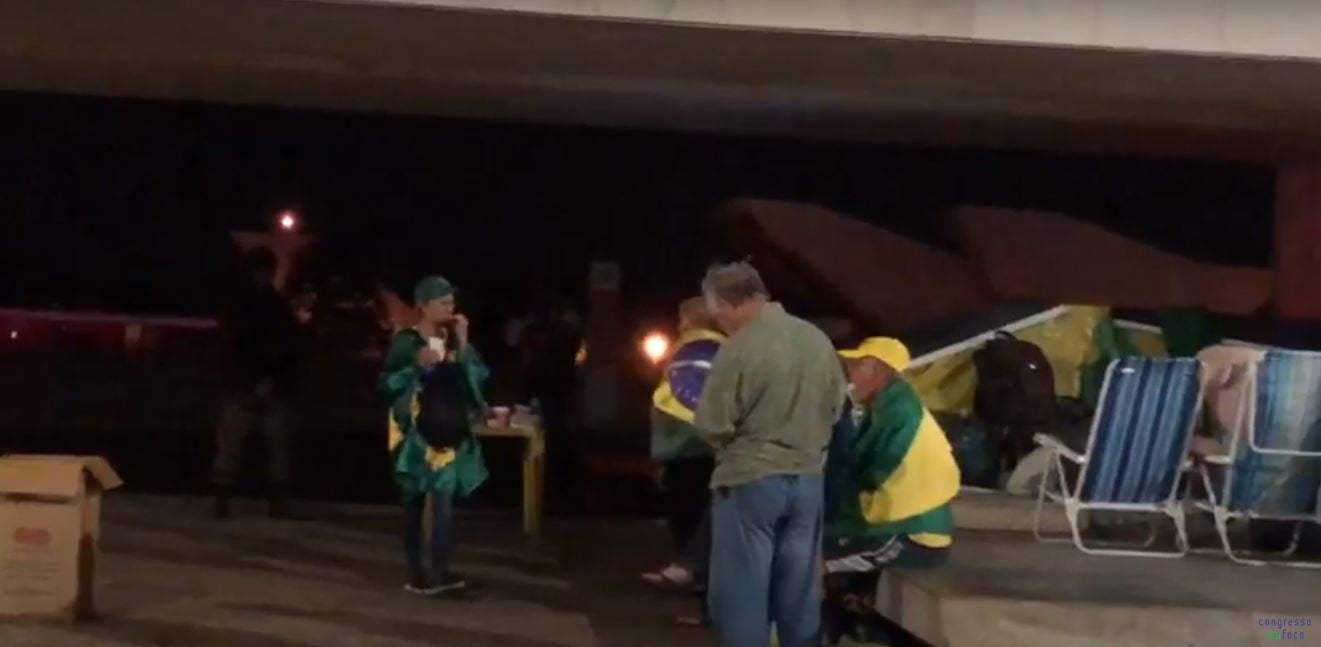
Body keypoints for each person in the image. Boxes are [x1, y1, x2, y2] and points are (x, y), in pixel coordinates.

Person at [694, 262, 847, 647]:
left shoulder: (740, 348)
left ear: (732, 304)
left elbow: (712, 423)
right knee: (798, 597)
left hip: (751, 482)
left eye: (718, 315)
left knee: (742, 595)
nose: (719, 324)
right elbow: (836, 409)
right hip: (808, 482)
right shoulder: (817, 340)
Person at [822, 338, 960, 644]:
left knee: (811, 562)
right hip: (896, 526)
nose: (848, 374)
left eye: (854, 366)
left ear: (877, 368)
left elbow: (887, 495)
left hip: (912, 536)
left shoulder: (901, 414)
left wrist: (841, 522)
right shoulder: (887, 408)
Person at [379, 276, 489, 596]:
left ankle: (441, 568)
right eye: (442, 302)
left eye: (451, 302)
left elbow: (476, 380)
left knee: (443, 504)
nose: (449, 307)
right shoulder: (407, 341)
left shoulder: (453, 340)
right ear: (424, 306)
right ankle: (417, 571)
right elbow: (387, 384)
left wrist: (464, 346)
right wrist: (415, 365)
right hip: (414, 436)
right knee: (413, 502)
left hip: (444, 434)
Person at [642, 298, 724, 613]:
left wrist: (663, 452)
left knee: (689, 517)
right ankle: (700, 588)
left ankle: (699, 587)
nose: (679, 323)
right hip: (697, 447)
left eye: (682, 316)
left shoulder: (696, 348)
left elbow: (682, 402)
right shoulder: (718, 347)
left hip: (689, 447)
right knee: (697, 518)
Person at [213, 247, 302, 520]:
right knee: (262, 445)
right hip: (258, 385)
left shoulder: (244, 305)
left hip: (251, 384)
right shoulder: (274, 306)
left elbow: (233, 346)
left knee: (243, 445)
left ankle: (226, 498)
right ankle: (244, 498)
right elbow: (286, 347)